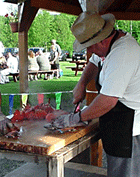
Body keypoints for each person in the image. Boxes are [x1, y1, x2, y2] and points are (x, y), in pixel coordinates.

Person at [49, 11, 140, 176]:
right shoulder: (109, 44)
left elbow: (107, 101)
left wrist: (74, 118)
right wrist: (81, 83)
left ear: (103, 40)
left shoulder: (123, 53)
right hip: (118, 124)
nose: (89, 51)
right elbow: (93, 62)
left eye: (90, 46)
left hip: (131, 130)